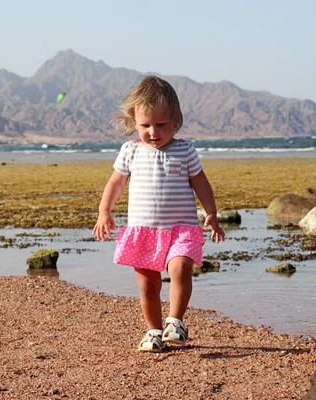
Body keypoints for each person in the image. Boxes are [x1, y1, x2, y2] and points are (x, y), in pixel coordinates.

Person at [92, 75, 225, 352]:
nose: (153, 131)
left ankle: (175, 322)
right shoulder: (130, 151)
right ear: (133, 121)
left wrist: (210, 213)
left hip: (182, 228)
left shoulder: (185, 150)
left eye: (161, 124)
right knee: (148, 285)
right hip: (144, 230)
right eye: (145, 125)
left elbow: (200, 182)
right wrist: (105, 211)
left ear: (176, 120)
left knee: (181, 267)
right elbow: (116, 182)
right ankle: (153, 331)